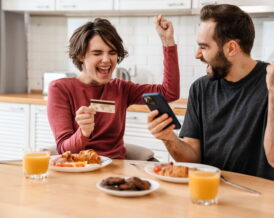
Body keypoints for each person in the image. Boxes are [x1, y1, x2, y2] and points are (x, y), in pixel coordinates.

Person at [147, 4, 274, 184]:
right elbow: (192, 160)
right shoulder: (201, 88)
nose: (197, 55)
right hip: (213, 190)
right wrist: (168, 138)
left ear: (231, 48)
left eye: (204, 47)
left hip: (266, 197)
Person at [47, 16, 180, 159]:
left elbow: (169, 93)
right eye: (97, 53)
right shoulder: (60, 88)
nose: (106, 60)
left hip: (117, 170)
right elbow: (62, 149)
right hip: (80, 169)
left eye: (112, 52)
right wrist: (83, 133)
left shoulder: (121, 88)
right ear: (80, 56)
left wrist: (168, 42)